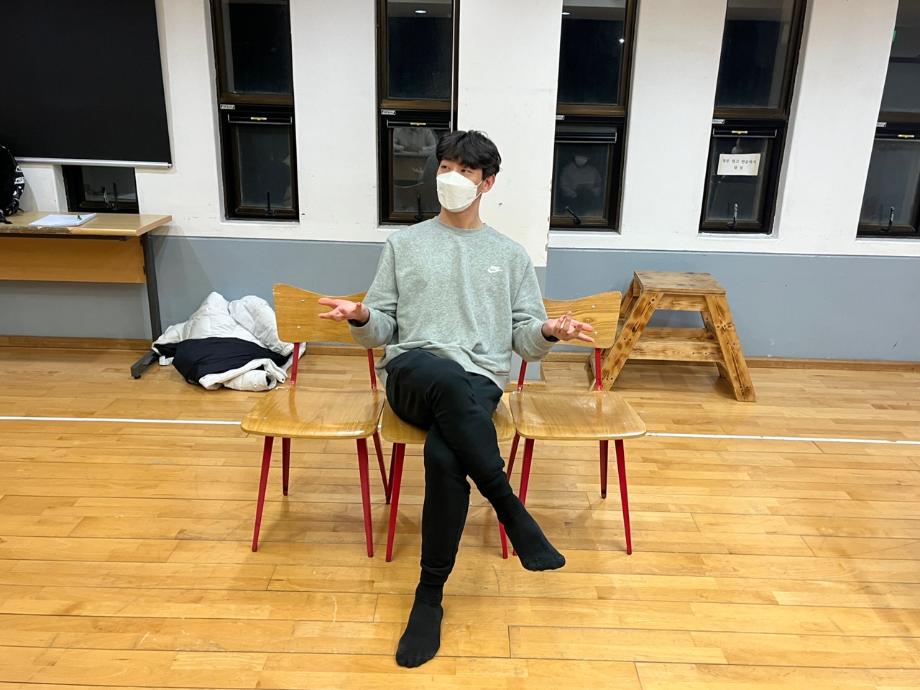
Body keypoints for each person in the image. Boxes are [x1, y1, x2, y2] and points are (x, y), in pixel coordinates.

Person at [318, 130, 594, 668]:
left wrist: (549, 331)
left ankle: (429, 596)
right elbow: (382, 329)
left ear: (487, 183)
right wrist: (362, 316)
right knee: (444, 377)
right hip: (412, 374)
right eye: (445, 167)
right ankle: (509, 506)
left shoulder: (509, 256)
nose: (452, 178)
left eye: (465, 171)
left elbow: (524, 340)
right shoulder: (404, 245)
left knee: (447, 456)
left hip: (477, 384)